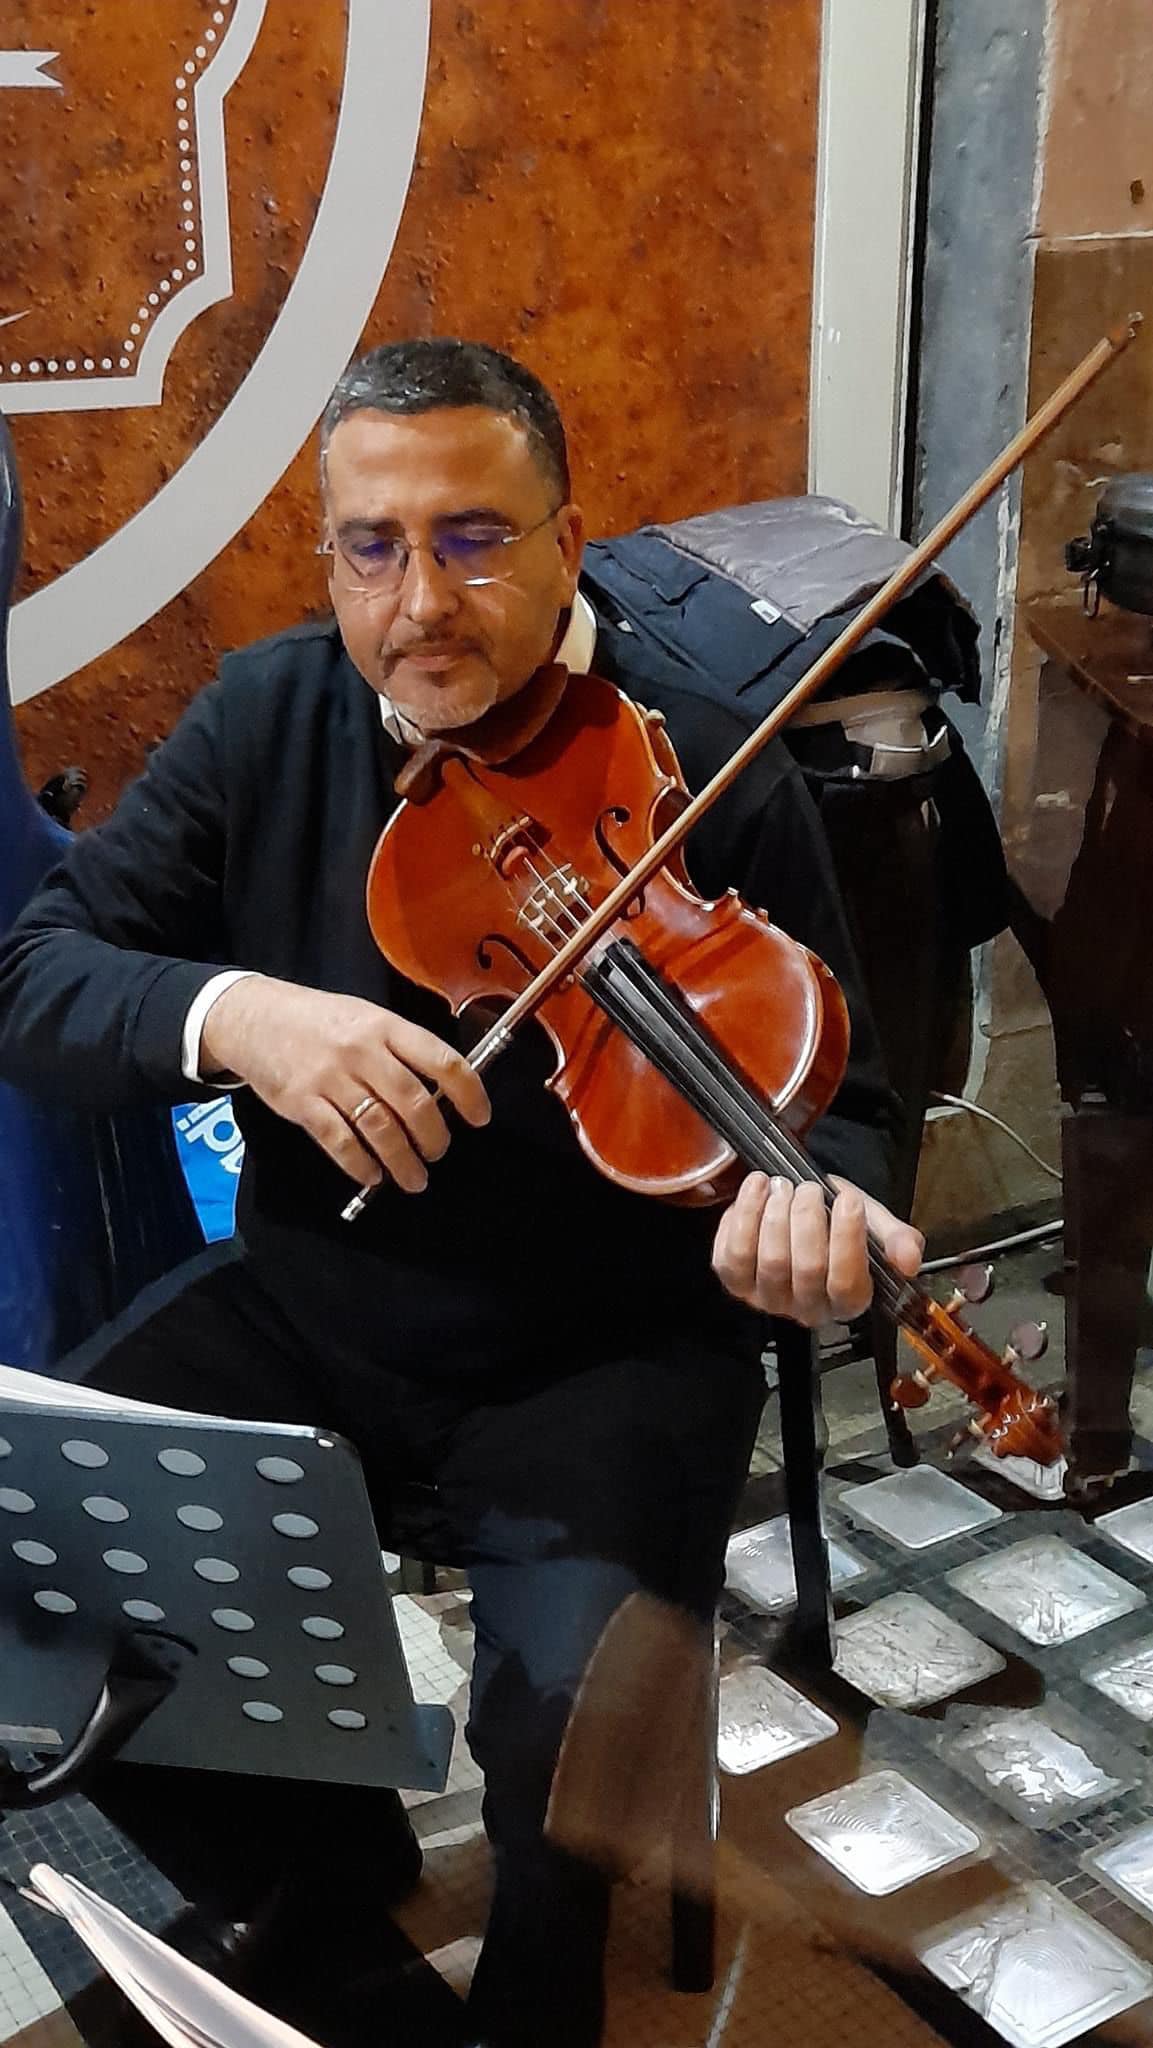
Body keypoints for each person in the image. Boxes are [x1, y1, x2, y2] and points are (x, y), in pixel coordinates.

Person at [0, 339, 922, 2048]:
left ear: (567, 540)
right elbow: (31, 976)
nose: (419, 603)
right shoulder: (268, 720)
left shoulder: (714, 771)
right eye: (373, 546)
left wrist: (819, 1232)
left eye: (474, 539)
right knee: (29, 1544)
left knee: (564, 1738)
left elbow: (852, 1117)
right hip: (316, 1305)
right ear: (331, 554)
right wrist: (240, 1016)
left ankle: (534, 1993)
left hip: (609, 1350)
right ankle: (313, 1880)